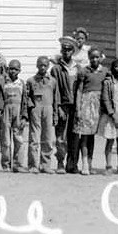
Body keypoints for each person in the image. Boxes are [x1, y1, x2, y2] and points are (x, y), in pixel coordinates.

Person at [74, 47, 108, 175]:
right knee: (85, 135)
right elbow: (79, 90)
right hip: (86, 104)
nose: (94, 59)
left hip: (98, 105)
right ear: (89, 58)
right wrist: (78, 108)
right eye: (92, 57)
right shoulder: (84, 71)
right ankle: (84, 164)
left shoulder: (104, 71)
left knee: (92, 136)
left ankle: (90, 163)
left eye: (97, 57)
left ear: (100, 58)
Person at [50, 36, 81, 174]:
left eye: (69, 50)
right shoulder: (56, 69)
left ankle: (72, 164)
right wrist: (58, 107)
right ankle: (60, 162)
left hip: (76, 106)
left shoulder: (78, 68)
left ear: (73, 51)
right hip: (63, 105)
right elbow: (55, 90)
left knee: (74, 136)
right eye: (64, 49)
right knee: (60, 136)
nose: (66, 52)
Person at [27, 56, 59, 174]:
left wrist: (55, 114)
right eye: (40, 65)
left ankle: (45, 165)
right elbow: (27, 97)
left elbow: (56, 98)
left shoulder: (53, 81)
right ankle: (33, 165)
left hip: (48, 109)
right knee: (34, 138)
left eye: (45, 65)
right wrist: (31, 108)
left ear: (48, 66)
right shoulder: (31, 81)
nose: (43, 67)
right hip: (36, 109)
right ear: (37, 65)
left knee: (48, 138)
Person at [0, 59, 28, 173]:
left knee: (19, 139)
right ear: (8, 69)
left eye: (16, 69)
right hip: (6, 111)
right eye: (11, 68)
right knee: (5, 141)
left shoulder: (21, 83)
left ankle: (18, 164)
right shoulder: (3, 82)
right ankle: (6, 164)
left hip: (18, 112)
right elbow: (0, 98)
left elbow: (25, 101)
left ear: (19, 70)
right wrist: (0, 113)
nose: (13, 71)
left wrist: (24, 116)